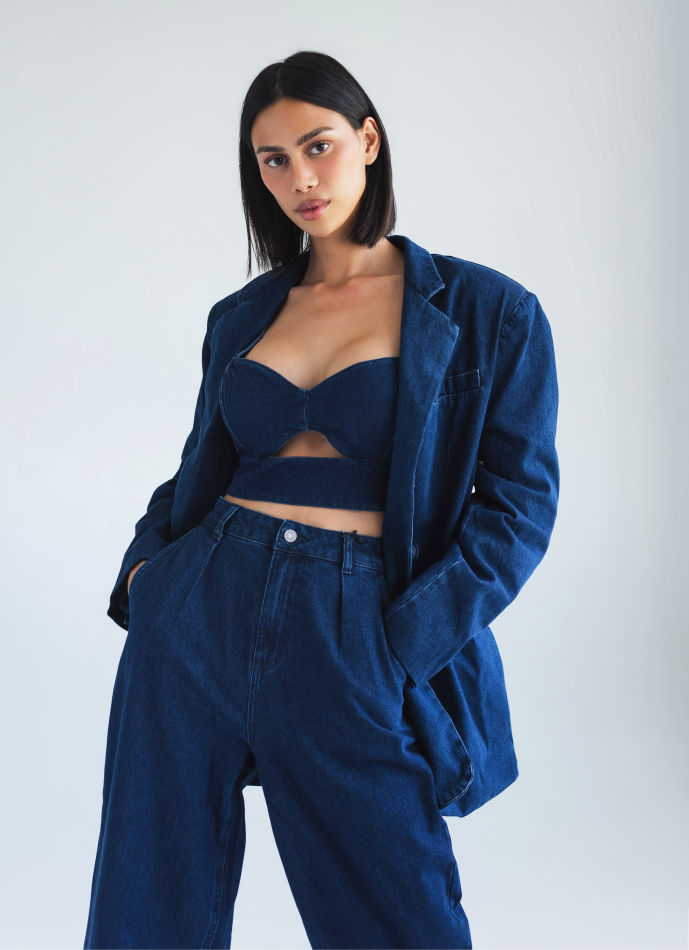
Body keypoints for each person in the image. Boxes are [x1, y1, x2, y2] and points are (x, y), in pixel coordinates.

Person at [83, 50, 559, 950]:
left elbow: (517, 508)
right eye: (273, 159)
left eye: (318, 145)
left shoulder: (488, 312)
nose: (299, 177)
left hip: (356, 625)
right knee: (149, 902)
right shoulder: (242, 315)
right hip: (198, 614)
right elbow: (197, 467)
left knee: (398, 912)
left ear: (367, 140)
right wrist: (148, 578)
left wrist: (403, 640)